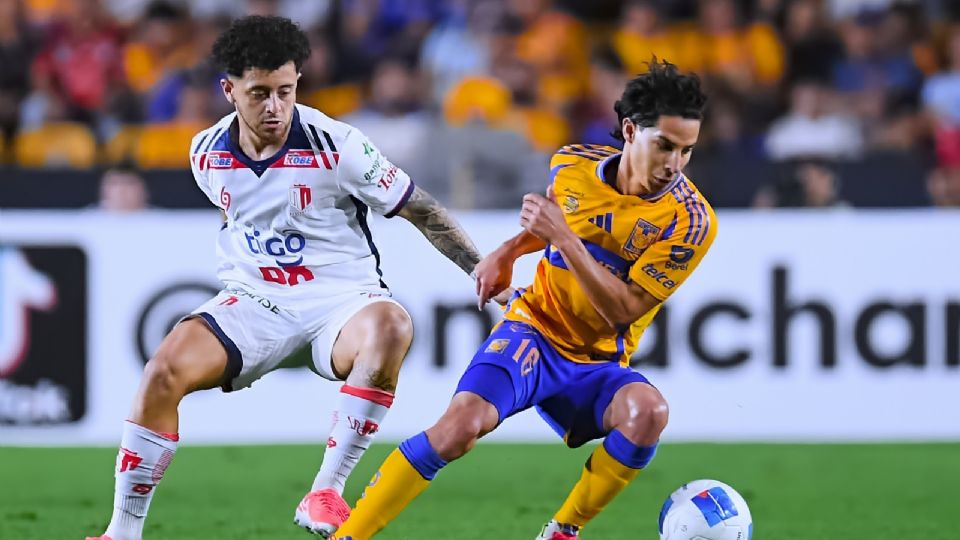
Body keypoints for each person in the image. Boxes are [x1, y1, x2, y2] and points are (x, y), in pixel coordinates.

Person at [86, 15, 506, 540]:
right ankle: (121, 534)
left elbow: (420, 209)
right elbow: (239, 217)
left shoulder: (339, 145)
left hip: (342, 302)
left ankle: (326, 491)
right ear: (229, 90)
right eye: (259, 93)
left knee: (392, 326)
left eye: (285, 91)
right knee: (161, 372)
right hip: (255, 302)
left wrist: (487, 271)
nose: (274, 107)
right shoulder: (206, 154)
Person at [332, 59, 714, 540]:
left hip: (598, 360)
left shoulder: (691, 222)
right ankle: (350, 536)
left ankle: (561, 532)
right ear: (631, 130)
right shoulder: (574, 165)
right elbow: (551, 222)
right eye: (665, 146)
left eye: (687, 151)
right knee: (458, 429)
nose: (675, 165)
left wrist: (565, 241)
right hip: (533, 331)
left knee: (649, 413)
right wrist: (508, 252)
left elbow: (623, 310)